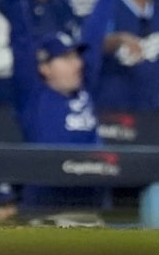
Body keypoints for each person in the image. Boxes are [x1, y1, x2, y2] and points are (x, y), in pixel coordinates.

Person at [17, 31, 108, 220]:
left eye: (77, 57)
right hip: (49, 210)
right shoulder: (34, 98)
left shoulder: (85, 95)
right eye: (66, 58)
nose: (78, 64)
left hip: (91, 208)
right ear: (45, 68)